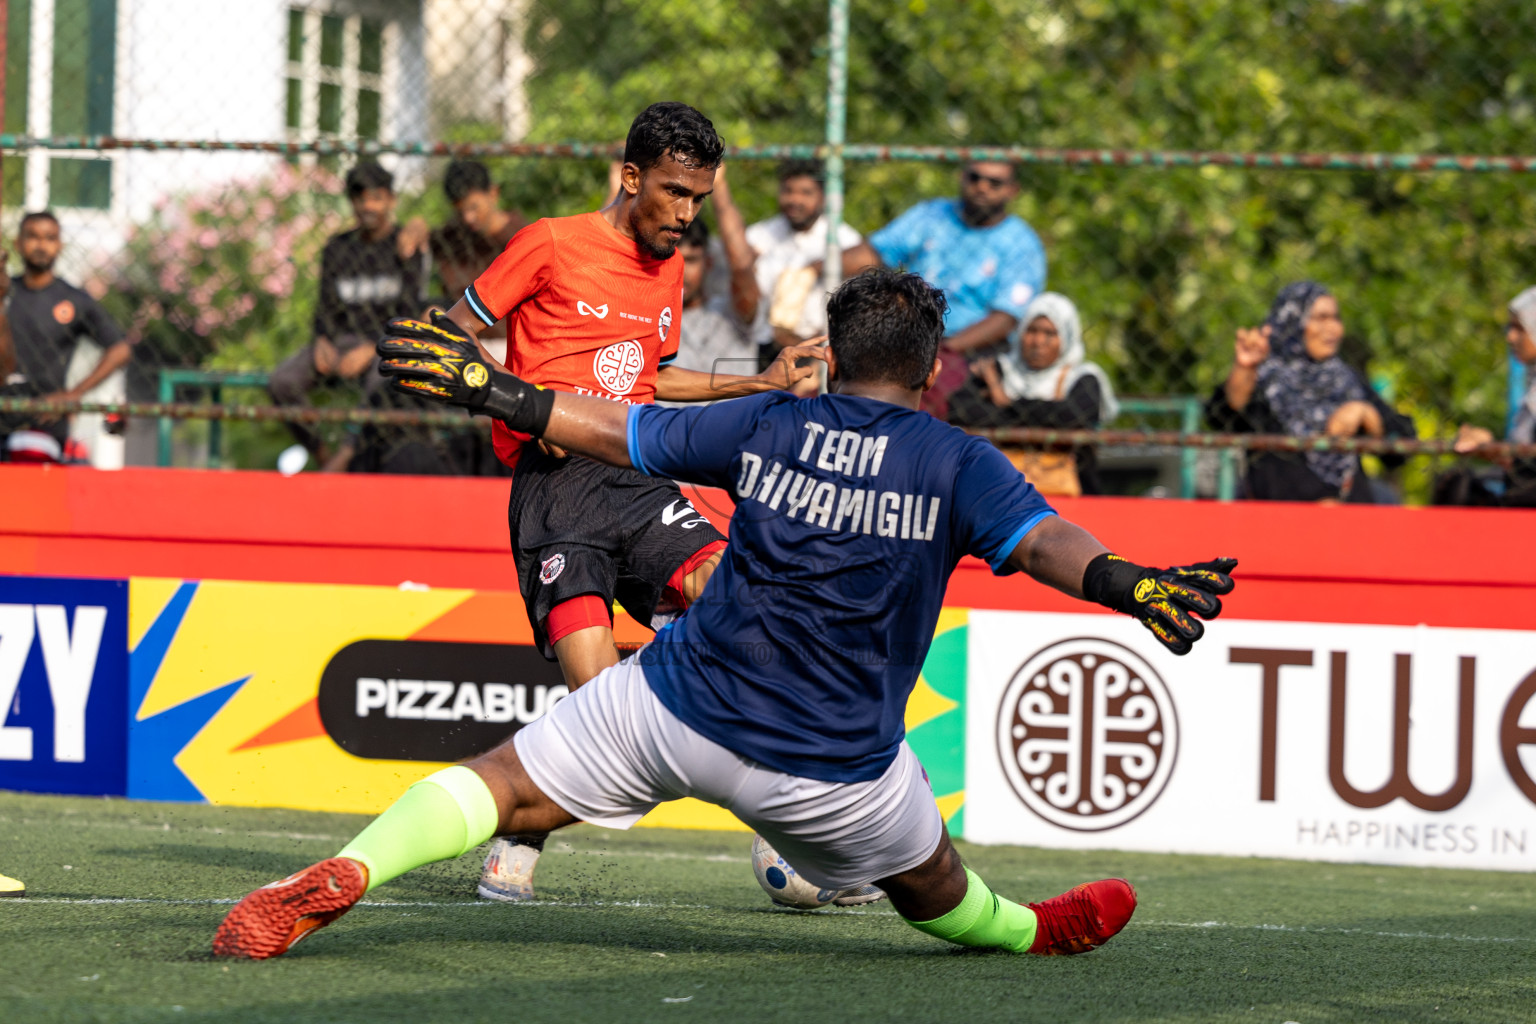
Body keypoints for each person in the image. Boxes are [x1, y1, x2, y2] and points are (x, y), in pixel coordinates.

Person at [212, 268, 1237, 961]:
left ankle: (355, 864)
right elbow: (1050, 544)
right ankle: (1029, 931)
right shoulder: (959, 460)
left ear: (829, 350)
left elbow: (621, 429)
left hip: (676, 709)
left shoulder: (774, 419)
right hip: (833, 771)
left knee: (502, 785)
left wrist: (498, 390)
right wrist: (1132, 585)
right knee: (930, 879)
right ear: (932, 371)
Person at [416, 103, 820, 902]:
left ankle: (810, 833)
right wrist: (528, 409)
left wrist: (762, 380)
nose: (684, 214)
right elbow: (448, 337)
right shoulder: (551, 241)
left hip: (635, 476)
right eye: (673, 193)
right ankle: (520, 831)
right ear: (631, 177)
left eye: (699, 199)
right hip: (554, 491)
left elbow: (647, 378)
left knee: (730, 598)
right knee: (600, 704)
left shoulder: (666, 262)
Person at [838, 162, 1047, 418]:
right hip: (902, 334)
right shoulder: (932, 215)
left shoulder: (1021, 243)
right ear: (962, 178)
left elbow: (1004, 319)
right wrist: (810, 270)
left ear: (1012, 190)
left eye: (994, 183)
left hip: (966, 349)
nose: (982, 187)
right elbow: (874, 253)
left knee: (910, 400)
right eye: (975, 178)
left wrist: (940, 347)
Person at [268, 161, 427, 466]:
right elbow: (326, 306)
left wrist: (372, 347)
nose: (368, 206)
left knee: (382, 380)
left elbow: (408, 310)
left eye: (377, 197)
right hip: (341, 339)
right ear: (352, 203)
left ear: (391, 200)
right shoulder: (337, 248)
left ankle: (347, 456)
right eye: (361, 198)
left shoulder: (405, 246)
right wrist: (322, 340)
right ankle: (321, 452)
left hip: (386, 343)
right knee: (282, 382)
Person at [1205, 281, 1415, 503]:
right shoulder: (1269, 379)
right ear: (1292, 321)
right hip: (1280, 518)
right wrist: (1245, 367)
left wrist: (1367, 414)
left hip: (1348, 517)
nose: (1333, 328)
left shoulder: (1346, 380)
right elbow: (1226, 415)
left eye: (1336, 318)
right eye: (1321, 318)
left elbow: (1402, 444)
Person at [948, 292, 1119, 496]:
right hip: (996, 489)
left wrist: (1002, 399)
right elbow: (963, 410)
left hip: (1071, 492)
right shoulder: (999, 368)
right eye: (1032, 330)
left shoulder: (1082, 378)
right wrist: (1036, 415)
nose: (1038, 341)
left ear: (1066, 336)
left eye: (1050, 333)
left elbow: (1072, 416)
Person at [0, 213, 132, 463]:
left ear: (60, 245)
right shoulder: (5, 292)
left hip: (44, 418)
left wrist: (74, 393)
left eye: (50, 238)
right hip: (3, 406)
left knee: (29, 459)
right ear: (18, 243)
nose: (41, 245)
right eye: (33, 236)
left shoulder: (74, 299)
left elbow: (120, 350)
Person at [744, 159, 863, 366]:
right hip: (764, 349)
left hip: (821, 351)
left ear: (824, 197)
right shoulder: (758, 236)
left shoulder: (846, 242)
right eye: (788, 190)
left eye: (806, 192)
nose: (795, 200)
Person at [1436, 287, 1536, 508]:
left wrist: (1491, 447)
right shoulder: (1531, 394)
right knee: (1454, 484)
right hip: (1522, 509)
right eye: (1510, 327)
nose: (1510, 337)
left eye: (1520, 328)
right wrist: (1488, 446)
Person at [426, 160, 527, 365]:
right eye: (460, 211)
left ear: (493, 193)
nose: (468, 218)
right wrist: (416, 227)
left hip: (514, 345)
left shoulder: (525, 236)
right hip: (462, 341)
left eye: (474, 207)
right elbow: (420, 237)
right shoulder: (452, 237)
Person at [670, 218, 757, 392]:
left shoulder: (731, 312)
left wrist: (719, 192)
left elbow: (741, 265)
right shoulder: (644, 318)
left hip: (735, 419)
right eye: (670, 261)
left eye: (690, 260)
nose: (680, 271)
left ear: (708, 262)